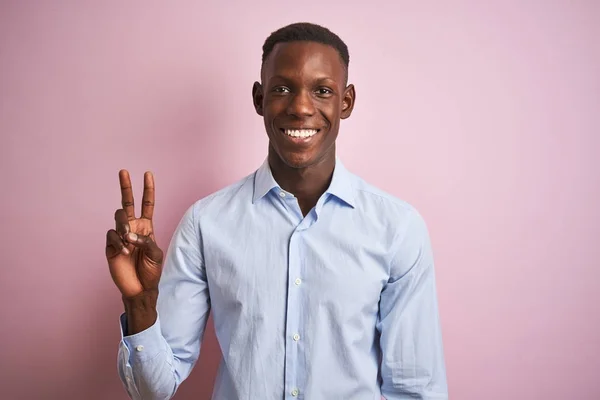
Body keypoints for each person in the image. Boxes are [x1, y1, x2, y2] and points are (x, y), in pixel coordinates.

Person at [106, 22, 448, 400]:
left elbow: (416, 390)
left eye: (322, 91)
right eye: (283, 88)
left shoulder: (397, 229)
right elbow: (153, 390)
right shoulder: (205, 224)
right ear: (259, 98)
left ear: (346, 102)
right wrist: (139, 301)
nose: (301, 108)